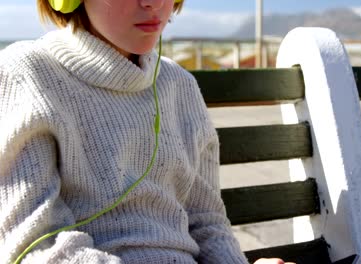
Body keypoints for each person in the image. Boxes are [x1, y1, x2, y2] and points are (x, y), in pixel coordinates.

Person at [0, 0, 295, 263]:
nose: (154, 3)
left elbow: (208, 223)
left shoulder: (180, 86)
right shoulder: (26, 75)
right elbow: (33, 246)